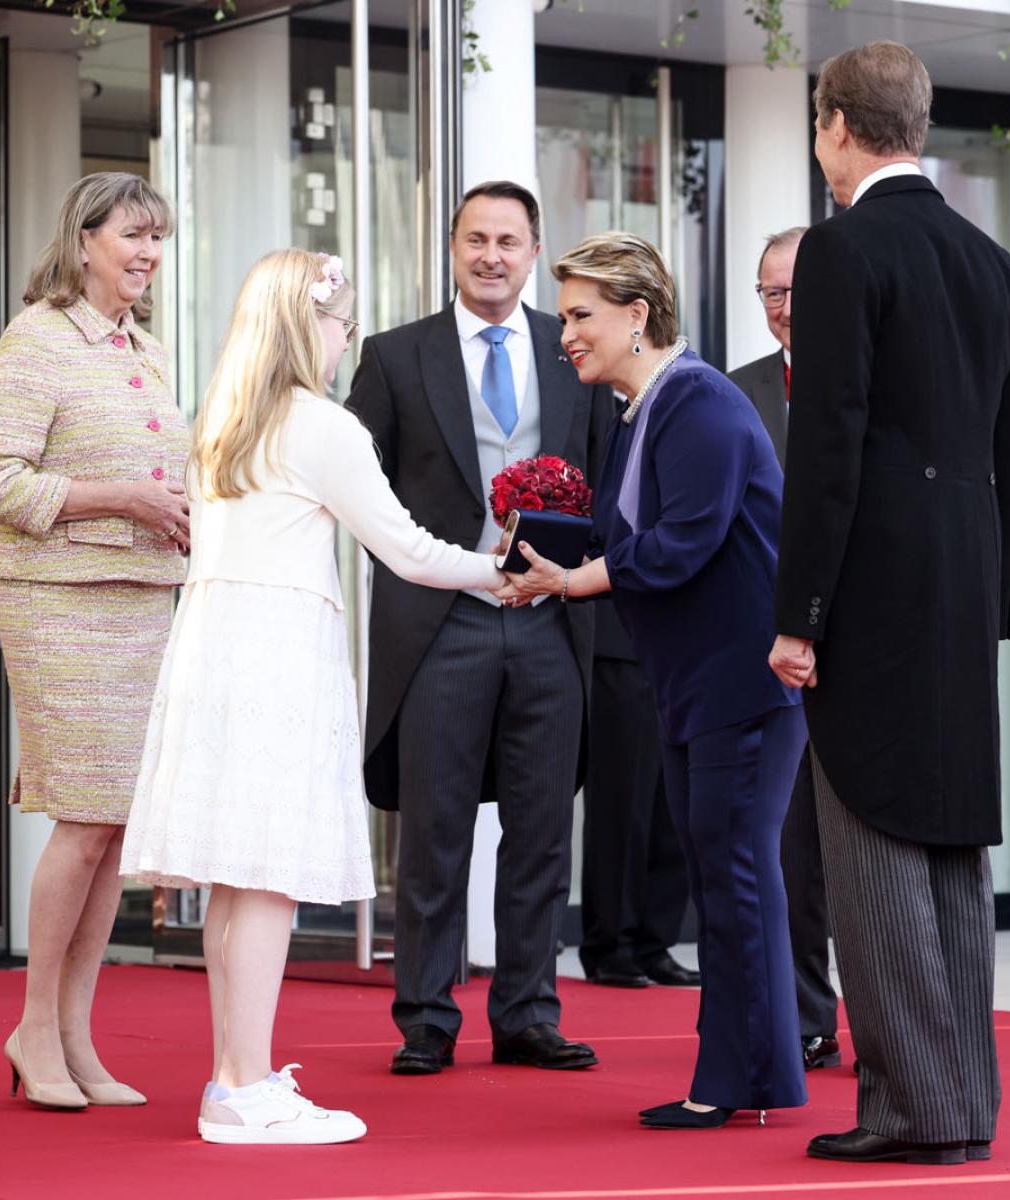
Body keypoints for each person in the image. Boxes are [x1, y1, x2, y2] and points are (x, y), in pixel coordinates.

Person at [120, 250, 507, 1145]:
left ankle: (232, 1077)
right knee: (268, 880)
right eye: (342, 323)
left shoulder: (222, 420)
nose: (347, 339)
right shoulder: (322, 426)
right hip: (279, 657)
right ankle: (246, 1087)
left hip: (217, 653)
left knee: (236, 879)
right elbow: (406, 549)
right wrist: (503, 572)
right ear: (310, 327)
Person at [768, 41, 1010, 1166]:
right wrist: (985, 595)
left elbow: (825, 448)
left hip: (869, 592)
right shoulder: (993, 264)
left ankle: (908, 1111)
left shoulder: (841, 252)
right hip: (959, 592)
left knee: (871, 846)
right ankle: (960, 1103)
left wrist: (798, 615)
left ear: (835, 125)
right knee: (949, 855)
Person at [497, 232, 807, 1130]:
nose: (566, 335)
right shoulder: (647, 408)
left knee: (735, 876)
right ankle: (749, 1076)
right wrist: (548, 552)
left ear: (639, 315)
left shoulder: (698, 401)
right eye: (565, 318)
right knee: (728, 877)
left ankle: (731, 1083)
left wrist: (570, 579)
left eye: (582, 316)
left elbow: (682, 544)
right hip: (699, 684)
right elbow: (635, 535)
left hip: (740, 689)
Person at [346, 181, 616, 1076]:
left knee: (542, 829)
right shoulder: (394, 358)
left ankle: (528, 1011)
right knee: (435, 830)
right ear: (452, 249)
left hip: (550, 619)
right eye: (476, 239)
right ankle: (426, 1015)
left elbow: (609, 479)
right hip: (441, 625)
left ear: (535, 251)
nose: (492, 255)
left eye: (509, 240)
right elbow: (360, 486)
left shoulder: (571, 348)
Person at [0, 172, 191, 1111]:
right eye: (131, 236)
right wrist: (119, 499)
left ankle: (70, 1035)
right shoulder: (37, 339)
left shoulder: (143, 349)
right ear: (85, 238)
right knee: (85, 815)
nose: (145, 254)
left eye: (155, 239)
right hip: (58, 600)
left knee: (113, 826)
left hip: (141, 601)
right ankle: (32, 1024)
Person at [728, 226, 841, 1072]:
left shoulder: (879, 379)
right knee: (790, 846)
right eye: (770, 293)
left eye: (797, 288)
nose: (784, 307)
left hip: (866, 645)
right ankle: (807, 1014)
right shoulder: (737, 394)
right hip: (771, 652)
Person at [579, 603, 699, 990]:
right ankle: (612, 944)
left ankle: (653, 942)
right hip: (622, 631)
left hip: (689, 641)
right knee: (622, 797)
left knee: (676, 802)